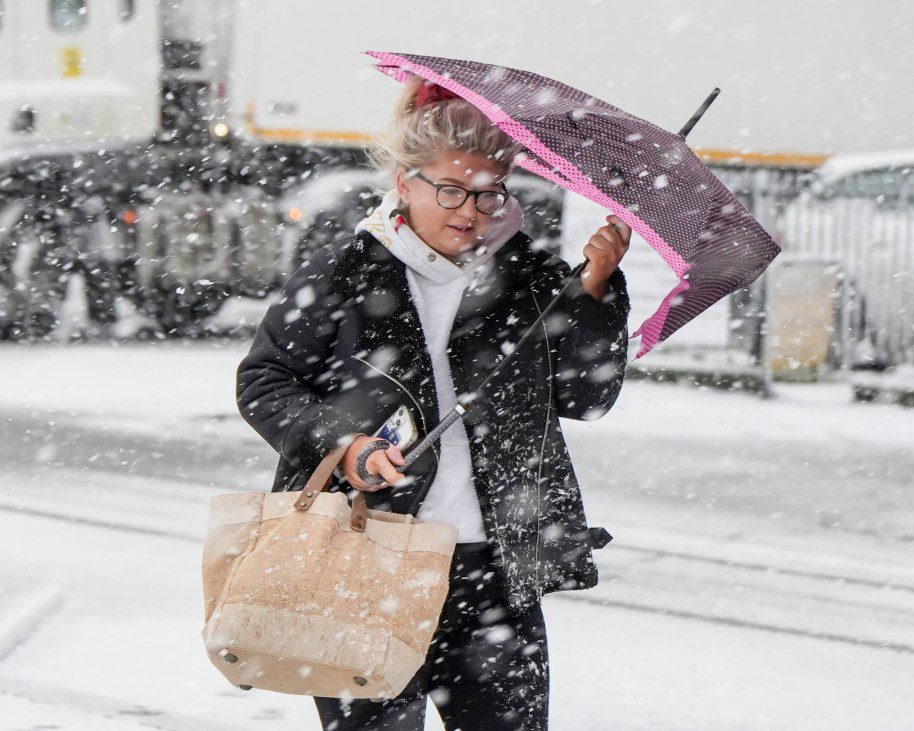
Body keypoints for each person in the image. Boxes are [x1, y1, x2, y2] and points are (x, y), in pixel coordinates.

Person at [235, 75, 631, 731]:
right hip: (366, 561)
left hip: (492, 568)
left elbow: (586, 397)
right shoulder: (348, 272)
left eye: (487, 192)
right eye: (451, 188)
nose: (469, 209)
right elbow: (267, 379)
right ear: (405, 180)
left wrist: (593, 291)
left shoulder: (528, 279)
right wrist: (345, 444)